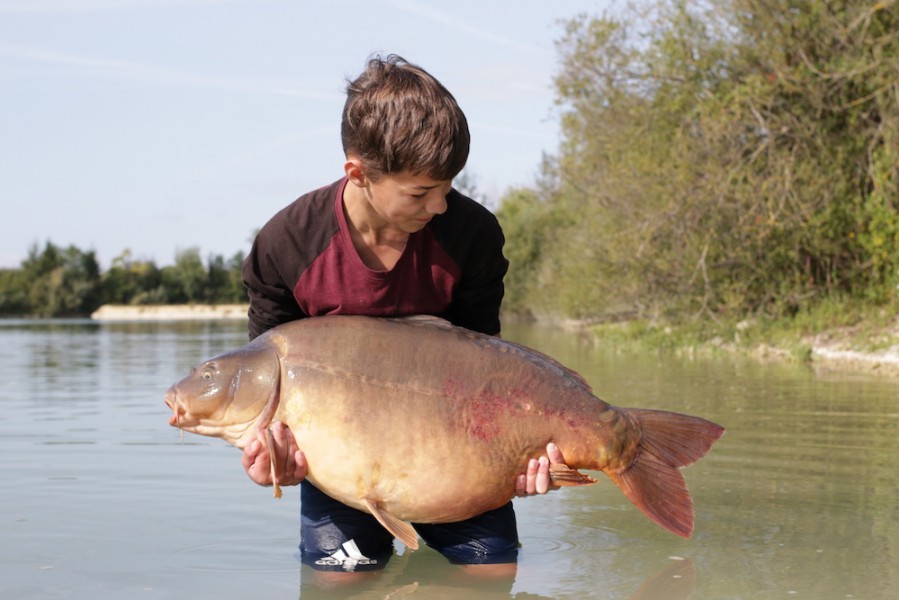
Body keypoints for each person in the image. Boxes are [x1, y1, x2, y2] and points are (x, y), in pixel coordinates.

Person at [239, 54, 566, 581]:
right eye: (420, 192)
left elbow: (489, 373)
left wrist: (521, 460)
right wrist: (271, 458)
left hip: (457, 464)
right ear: (358, 173)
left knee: (491, 583)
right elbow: (269, 385)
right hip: (342, 476)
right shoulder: (287, 246)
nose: (439, 206)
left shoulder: (472, 234)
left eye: (448, 187)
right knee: (336, 589)